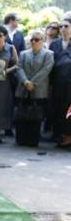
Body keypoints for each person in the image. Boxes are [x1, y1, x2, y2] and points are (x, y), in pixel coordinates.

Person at [14, 30, 54, 147]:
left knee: (36, 117)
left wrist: (33, 83)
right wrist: (25, 81)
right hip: (23, 89)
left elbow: (46, 70)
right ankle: (21, 139)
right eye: (32, 39)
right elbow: (19, 68)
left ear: (42, 41)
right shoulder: (23, 54)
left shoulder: (48, 54)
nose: (33, 42)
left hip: (39, 90)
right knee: (21, 116)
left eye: (36, 40)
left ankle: (33, 140)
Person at [49, 16, 71, 147]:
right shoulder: (54, 44)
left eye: (66, 26)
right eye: (61, 26)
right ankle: (58, 134)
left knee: (68, 110)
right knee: (56, 108)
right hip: (56, 82)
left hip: (69, 83)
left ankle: (68, 136)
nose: (63, 29)